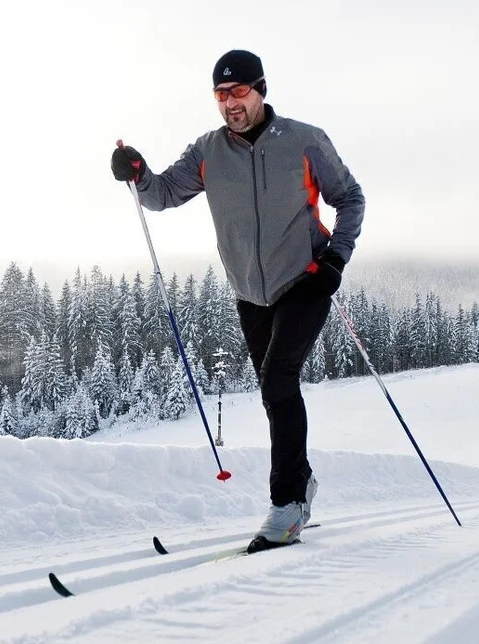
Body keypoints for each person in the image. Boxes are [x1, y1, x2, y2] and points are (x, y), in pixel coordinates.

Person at [110, 49, 365, 551]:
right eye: (221, 95)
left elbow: (351, 198)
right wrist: (137, 172)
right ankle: (303, 481)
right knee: (275, 393)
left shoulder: (304, 141)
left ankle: (288, 505)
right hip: (250, 292)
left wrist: (335, 260)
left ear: (261, 89)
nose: (230, 103)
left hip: (306, 280)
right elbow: (161, 194)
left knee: (277, 378)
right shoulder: (208, 150)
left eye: (239, 92)